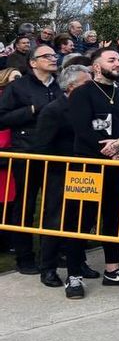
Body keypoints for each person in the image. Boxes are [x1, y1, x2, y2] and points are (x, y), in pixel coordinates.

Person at [65, 48, 119, 298]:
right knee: (80, 221)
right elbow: (82, 130)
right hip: (86, 167)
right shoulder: (81, 93)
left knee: (113, 217)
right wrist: (109, 150)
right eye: (112, 60)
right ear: (96, 66)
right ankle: (73, 275)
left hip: (116, 168)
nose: (118, 63)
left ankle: (112, 268)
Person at [0, 44, 61, 275]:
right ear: (33, 62)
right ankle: (25, 257)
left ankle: (52, 255)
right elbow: (2, 118)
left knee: (54, 208)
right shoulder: (18, 87)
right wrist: (32, 110)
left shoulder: (59, 86)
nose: (53, 59)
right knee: (24, 206)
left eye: (54, 55)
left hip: (55, 155)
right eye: (47, 56)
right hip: (26, 153)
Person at [30, 64, 91, 295]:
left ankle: (78, 262)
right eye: (87, 83)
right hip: (59, 175)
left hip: (85, 173)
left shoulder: (87, 107)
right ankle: (48, 267)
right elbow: (41, 147)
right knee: (55, 221)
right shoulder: (53, 110)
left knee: (82, 220)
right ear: (72, 86)